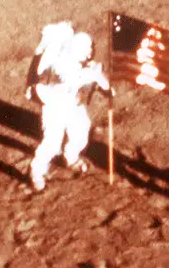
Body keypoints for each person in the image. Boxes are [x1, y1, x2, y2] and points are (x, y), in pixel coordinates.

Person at [26, 22, 111, 191]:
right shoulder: (62, 64)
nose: (90, 53)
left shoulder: (78, 62)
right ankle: (36, 172)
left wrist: (105, 85)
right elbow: (79, 77)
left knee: (81, 129)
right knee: (52, 142)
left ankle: (71, 157)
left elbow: (88, 76)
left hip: (71, 102)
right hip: (54, 105)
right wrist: (101, 81)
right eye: (87, 50)